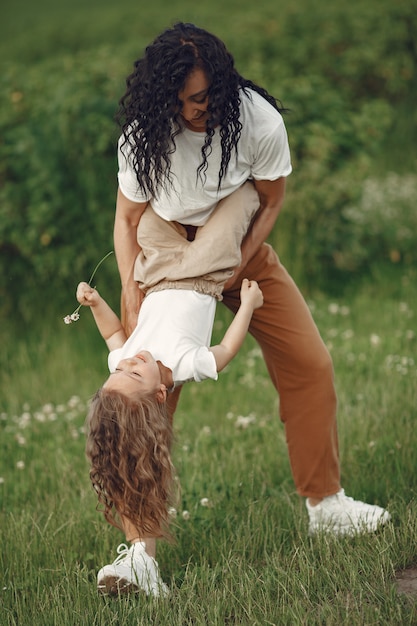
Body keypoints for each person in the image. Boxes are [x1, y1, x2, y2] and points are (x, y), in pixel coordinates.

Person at [110, 21, 391, 595]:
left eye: (212, 93)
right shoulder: (143, 138)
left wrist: (232, 273)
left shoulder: (257, 119)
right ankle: (140, 553)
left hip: (237, 253)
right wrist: (131, 290)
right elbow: (127, 221)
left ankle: (326, 506)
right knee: (144, 407)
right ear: (166, 97)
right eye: (191, 100)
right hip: (164, 266)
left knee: (310, 363)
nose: (205, 107)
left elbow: (270, 202)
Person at [78, 182, 263, 596]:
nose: (130, 359)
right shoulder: (182, 364)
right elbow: (224, 350)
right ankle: (249, 182)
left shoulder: (125, 364)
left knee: (147, 219)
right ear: (160, 394)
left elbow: (112, 335)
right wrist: (248, 305)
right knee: (241, 203)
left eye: (121, 368)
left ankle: (142, 561)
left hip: (158, 274)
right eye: (133, 372)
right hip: (203, 274)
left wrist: (95, 303)